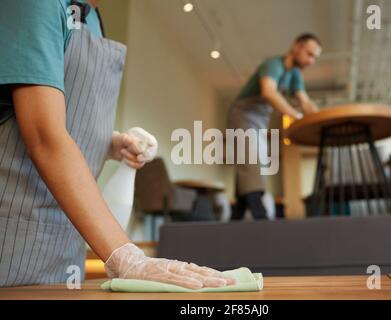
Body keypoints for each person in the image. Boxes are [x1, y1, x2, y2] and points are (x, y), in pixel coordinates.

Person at [0, 0, 235, 288]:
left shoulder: (93, 17)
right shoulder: (37, 4)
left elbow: (56, 115)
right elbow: (43, 135)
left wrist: (110, 143)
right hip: (13, 237)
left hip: (67, 245)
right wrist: (127, 257)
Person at [227, 33, 322, 220]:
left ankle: (236, 217)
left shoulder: (294, 74)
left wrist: (320, 118)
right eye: (309, 54)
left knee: (252, 164)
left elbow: (305, 102)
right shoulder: (274, 65)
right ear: (296, 46)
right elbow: (269, 93)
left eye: (315, 57)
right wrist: (295, 115)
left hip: (260, 121)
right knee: (253, 160)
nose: (311, 61)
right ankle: (261, 218)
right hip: (243, 115)